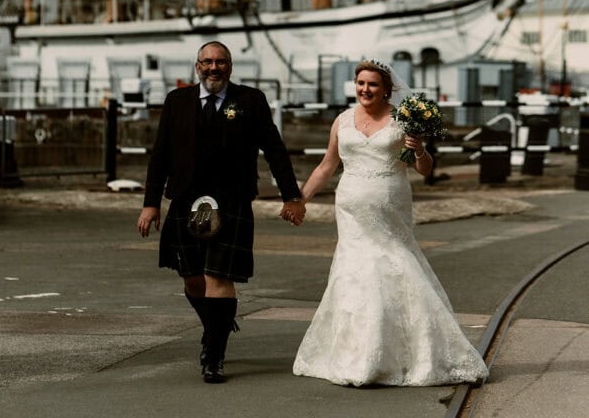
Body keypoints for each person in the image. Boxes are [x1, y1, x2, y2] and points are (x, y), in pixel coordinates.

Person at [287, 58, 488, 387]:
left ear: (386, 90)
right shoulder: (342, 121)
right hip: (350, 208)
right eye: (361, 83)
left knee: (395, 266)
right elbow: (327, 165)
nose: (365, 89)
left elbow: (424, 169)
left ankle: (409, 355)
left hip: (390, 207)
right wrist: (301, 199)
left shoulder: (402, 120)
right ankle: (357, 356)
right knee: (355, 274)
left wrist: (419, 149)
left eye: (373, 85)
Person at [137, 40, 305, 384]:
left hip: (231, 203)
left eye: (221, 62)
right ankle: (217, 326)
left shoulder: (250, 100)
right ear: (197, 67)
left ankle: (213, 355)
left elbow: (274, 149)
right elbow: (161, 154)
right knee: (192, 280)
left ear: (230, 66)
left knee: (219, 279)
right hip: (185, 201)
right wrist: (151, 202)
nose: (214, 68)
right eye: (207, 62)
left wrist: (292, 196)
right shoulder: (177, 101)